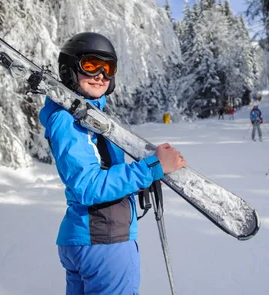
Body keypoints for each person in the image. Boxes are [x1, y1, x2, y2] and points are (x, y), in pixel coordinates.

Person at [39, 32, 187, 294]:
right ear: (70, 68)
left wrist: (140, 181)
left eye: (108, 68)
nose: (100, 75)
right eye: (91, 65)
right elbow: (88, 185)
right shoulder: (69, 120)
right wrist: (152, 168)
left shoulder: (88, 117)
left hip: (90, 238)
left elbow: (100, 172)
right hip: (103, 240)